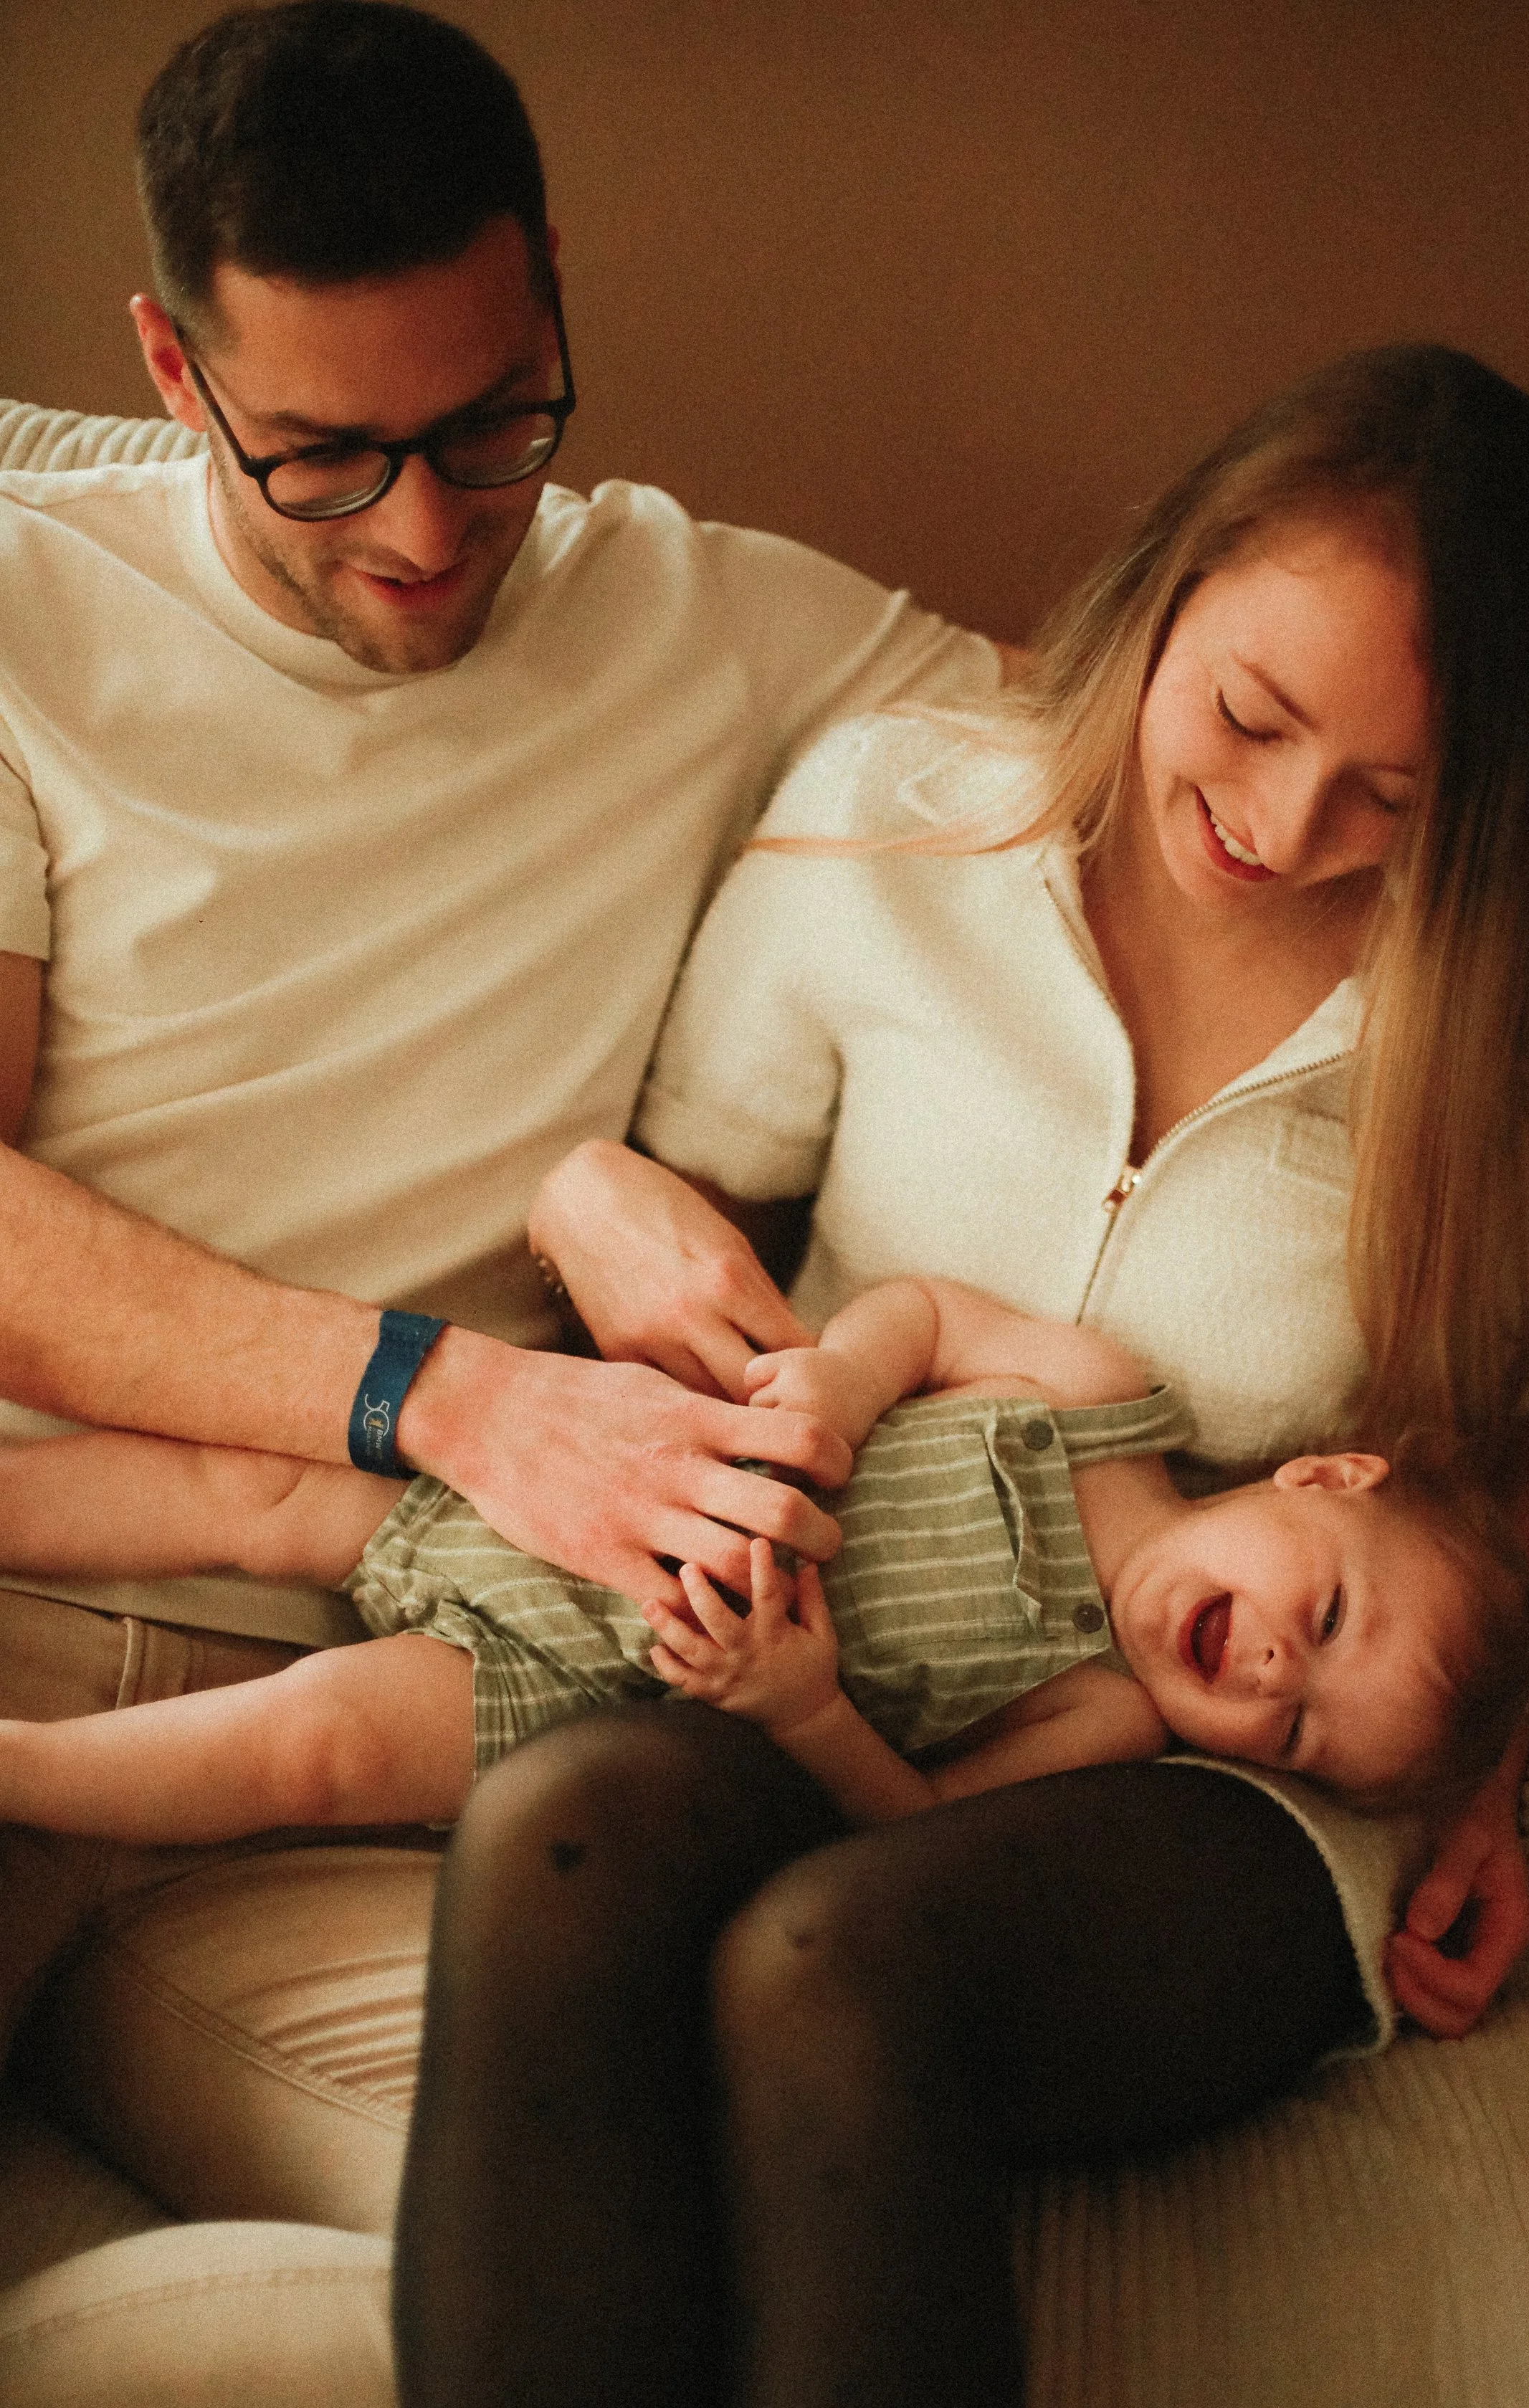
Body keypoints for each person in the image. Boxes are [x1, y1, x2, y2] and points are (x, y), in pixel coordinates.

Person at [386, 343, 1529, 2408]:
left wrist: (1487, 1777)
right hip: (841, 1624)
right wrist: (598, 1221)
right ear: (1166, 589)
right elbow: (679, 1221)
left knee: (833, 1960)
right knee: (560, 1828)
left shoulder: (1520, 1007)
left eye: (1389, 791)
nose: (1281, 823)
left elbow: (1514, 1437)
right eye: (1249, 717)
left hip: (1215, 1783)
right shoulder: (889, 823)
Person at [0, 0, 1005, 2240]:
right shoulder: (21, 611)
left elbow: (1221, 739)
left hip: (392, 1708)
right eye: (322, 457)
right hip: (37, 1587)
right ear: (171, 369)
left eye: (491, 423)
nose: (427, 529)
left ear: (550, 291)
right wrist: (448, 1395)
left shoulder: (716, 616)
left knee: (627, 2264)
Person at [0, 1246, 1529, 1837]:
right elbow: (926, 1313)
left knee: (316, 1749)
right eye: (1326, 1621)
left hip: (601, 1680)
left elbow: (914, 1814)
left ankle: (24, 1772)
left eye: (1295, 1732)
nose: (1266, 1673)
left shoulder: (1108, 1714)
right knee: (248, 1492)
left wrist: (801, 1706)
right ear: (1325, 1475)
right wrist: (846, 1386)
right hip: (583, 1470)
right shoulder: (1104, 1403)